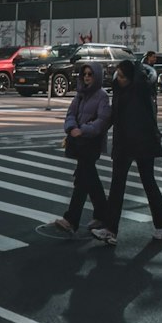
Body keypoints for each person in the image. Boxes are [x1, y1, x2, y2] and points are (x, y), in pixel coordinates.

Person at [91, 58, 162, 247]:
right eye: (119, 75)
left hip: (143, 143)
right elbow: (114, 115)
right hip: (124, 143)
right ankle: (111, 230)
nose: (120, 79)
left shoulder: (141, 90)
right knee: (117, 186)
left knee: (148, 182)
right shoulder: (120, 90)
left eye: (123, 76)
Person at [48, 62, 112, 236]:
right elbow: (70, 114)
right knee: (90, 180)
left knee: (82, 181)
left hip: (91, 144)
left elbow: (102, 121)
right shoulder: (80, 95)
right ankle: (103, 214)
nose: (87, 77)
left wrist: (82, 130)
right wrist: (71, 128)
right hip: (79, 143)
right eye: (84, 74)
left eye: (90, 74)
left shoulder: (102, 96)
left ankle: (71, 220)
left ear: (96, 76)